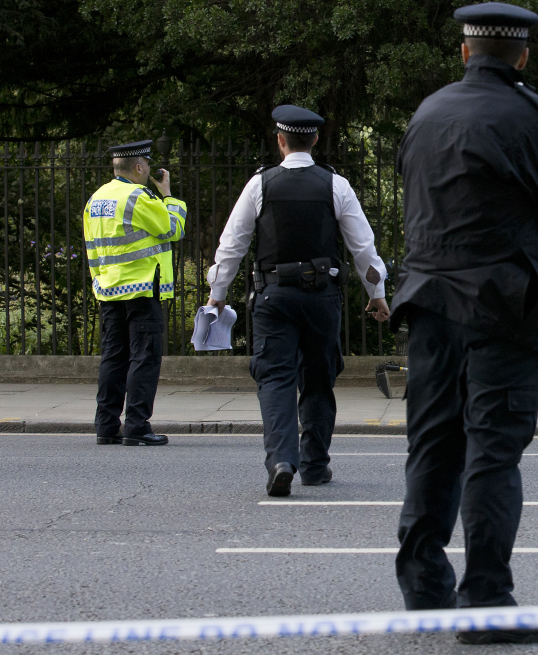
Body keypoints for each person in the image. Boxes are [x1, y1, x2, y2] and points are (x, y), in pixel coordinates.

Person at [390, 2, 538, 644]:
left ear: (464, 52)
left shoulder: (429, 113)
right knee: (493, 452)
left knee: (433, 445)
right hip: (501, 308)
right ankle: (487, 603)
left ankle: (424, 590)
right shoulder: (527, 118)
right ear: (522, 56)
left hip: (430, 305)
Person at [206, 105, 390, 497]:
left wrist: (217, 294)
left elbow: (231, 246)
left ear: (281, 140)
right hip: (322, 298)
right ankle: (316, 466)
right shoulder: (335, 185)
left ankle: (281, 461)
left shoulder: (260, 184)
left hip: (273, 296)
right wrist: (377, 295)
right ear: (316, 139)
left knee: (275, 378)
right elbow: (364, 249)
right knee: (320, 380)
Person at [84, 140, 187, 447]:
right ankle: (136, 427)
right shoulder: (137, 197)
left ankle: (106, 425)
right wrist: (168, 196)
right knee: (144, 358)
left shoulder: (96, 199)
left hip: (109, 290)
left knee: (113, 358)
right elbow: (173, 228)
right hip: (142, 289)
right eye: (146, 166)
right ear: (139, 168)